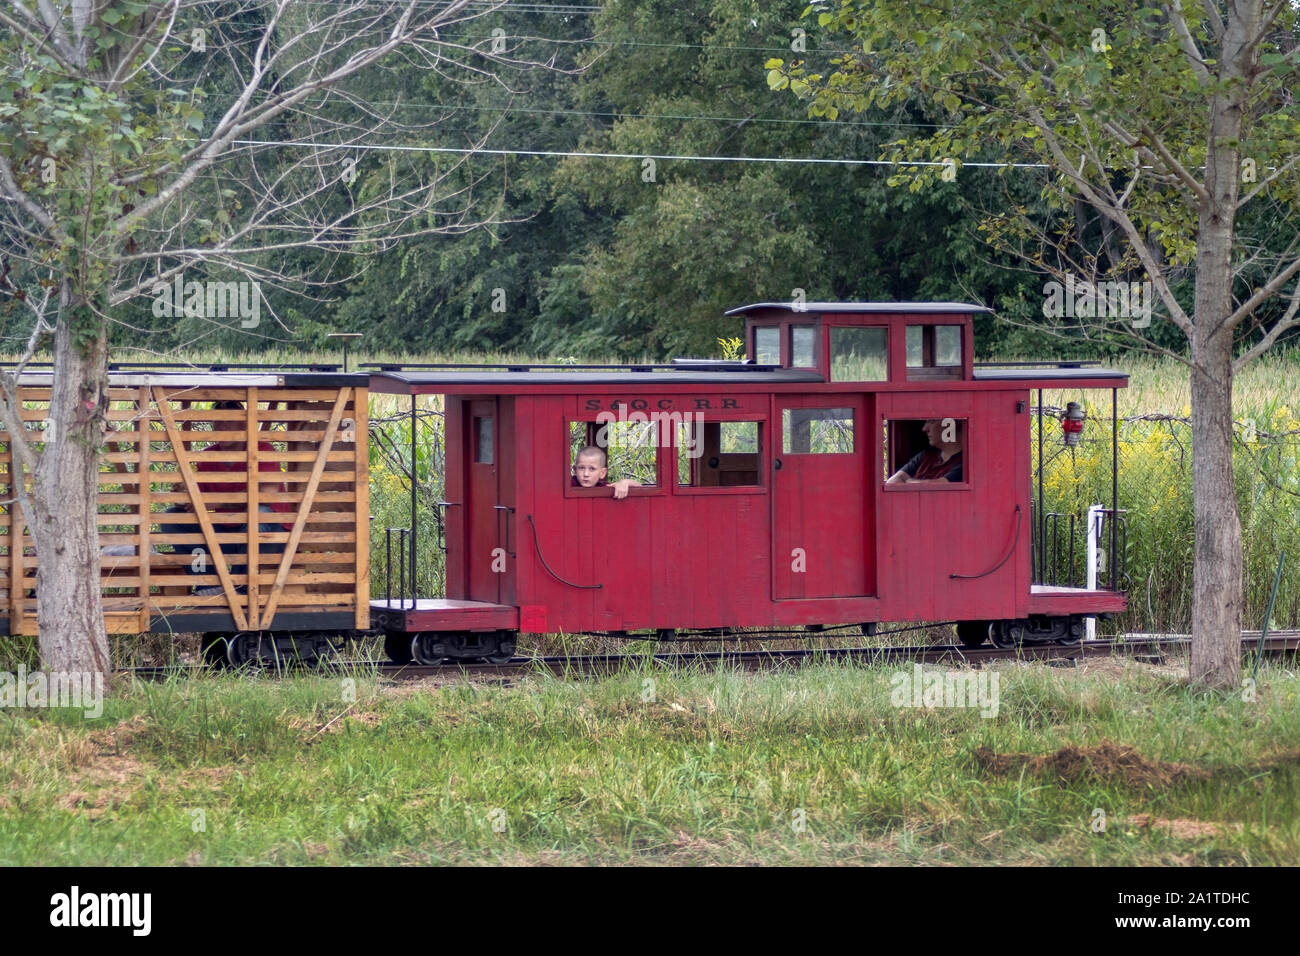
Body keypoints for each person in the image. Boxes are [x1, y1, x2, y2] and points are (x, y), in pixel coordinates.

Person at [158, 400, 292, 594]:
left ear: (243, 425)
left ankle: (240, 588)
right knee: (173, 517)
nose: (221, 428)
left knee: (259, 513)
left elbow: (267, 494)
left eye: (227, 422)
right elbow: (197, 499)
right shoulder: (207, 456)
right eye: (217, 423)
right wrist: (184, 495)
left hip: (268, 537)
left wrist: (217, 501)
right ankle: (208, 584)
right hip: (226, 533)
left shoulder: (263, 449)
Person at [886, 418, 964, 484]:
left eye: (932, 421)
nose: (924, 429)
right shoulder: (927, 455)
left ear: (950, 424)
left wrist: (908, 481)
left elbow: (938, 487)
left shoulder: (965, 462)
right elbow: (892, 482)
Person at [571, 445, 642, 499]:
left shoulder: (604, 487)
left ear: (602, 473)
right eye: (581, 468)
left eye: (592, 469)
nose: (586, 474)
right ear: (575, 470)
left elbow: (640, 488)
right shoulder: (569, 483)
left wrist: (625, 483)